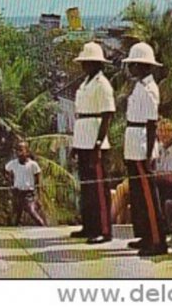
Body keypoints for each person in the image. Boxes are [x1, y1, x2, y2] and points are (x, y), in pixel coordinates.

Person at [122, 42, 167, 256]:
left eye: (134, 64)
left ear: (143, 66)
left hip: (142, 143)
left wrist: (149, 153)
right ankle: (146, 235)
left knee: (149, 195)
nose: (131, 68)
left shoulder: (150, 89)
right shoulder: (140, 86)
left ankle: (158, 241)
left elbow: (151, 124)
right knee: (138, 194)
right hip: (133, 141)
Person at [69, 42, 114, 243]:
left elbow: (107, 115)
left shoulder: (102, 84)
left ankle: (103, 230)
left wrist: (98, 142)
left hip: (95, 139)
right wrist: (76, 145)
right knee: (86, 186)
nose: (84, 66)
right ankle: (89, 225)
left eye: (87, 62)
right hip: (83, 137)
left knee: (98, 188)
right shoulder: (86, 83)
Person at [5, 141, 47, 227]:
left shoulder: (32, 165)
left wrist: (39, 196)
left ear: (27, 152)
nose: (18, 152)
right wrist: (10, 182)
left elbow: (38, 180)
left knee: (32, 211)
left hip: (28, 194)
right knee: (16, 216)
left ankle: (43, 227)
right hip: (17, 193)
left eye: (21, 150)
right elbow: (6, 170)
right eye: (17, 150)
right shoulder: (13, 163)